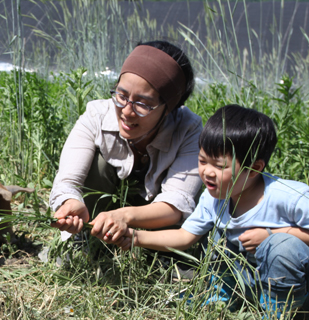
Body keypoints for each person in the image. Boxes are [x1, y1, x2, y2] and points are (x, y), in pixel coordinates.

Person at [119, 105, 309, 320]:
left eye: (219, 166)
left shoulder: (287, 196)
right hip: (258, 282)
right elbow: (184, 236)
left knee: (280, 246)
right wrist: (134, 237)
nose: (207, 172)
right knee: (218, 234)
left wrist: (274, 234)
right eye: (202, 161)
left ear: (254, 168)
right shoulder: (215, 196)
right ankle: (223, 297)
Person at [50, 40, 203, 243]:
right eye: (121, 95)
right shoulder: (96, 115)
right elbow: (67, 182)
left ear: (169, 108)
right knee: (99, 164)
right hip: (95, 221)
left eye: (143, 104)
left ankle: (149, 254)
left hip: (152, 231)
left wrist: (122, 216)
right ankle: (84, 243)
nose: (127, 112)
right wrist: (71, 202)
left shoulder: (189, 130)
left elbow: (177, 204)